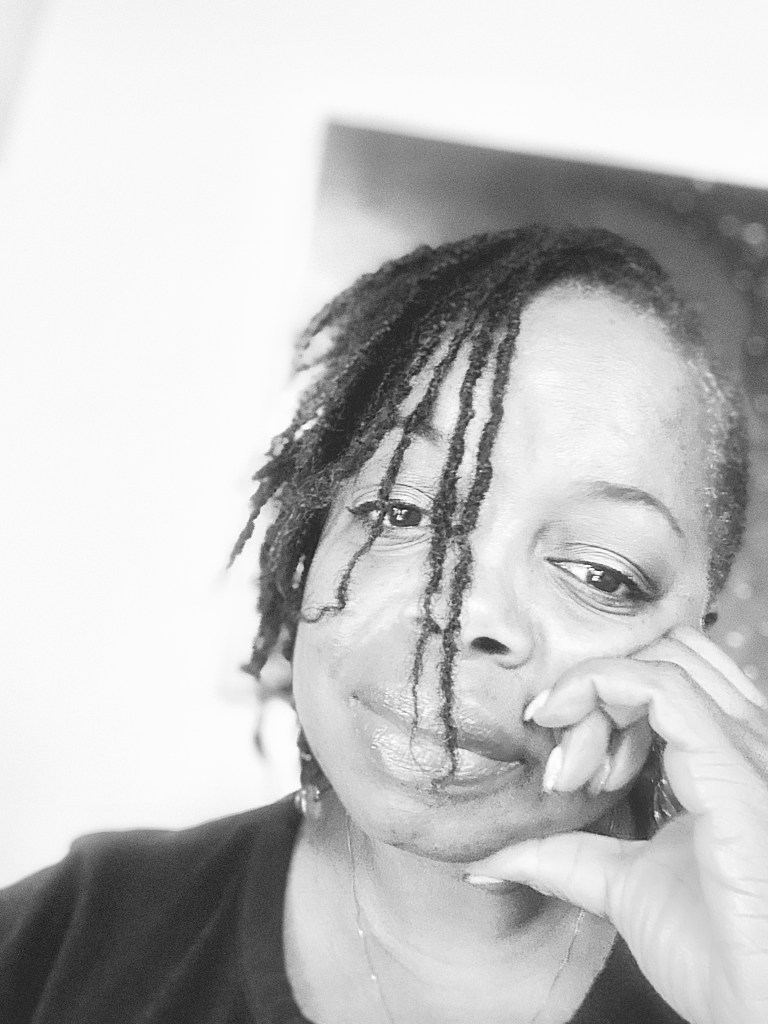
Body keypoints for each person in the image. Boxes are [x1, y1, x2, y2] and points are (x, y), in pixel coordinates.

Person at [1, 226, 766, 1024]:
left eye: (600, 572)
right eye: (402, 509)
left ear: (696, 651)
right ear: (311, 543)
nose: (463, 610)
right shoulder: (64, 945)